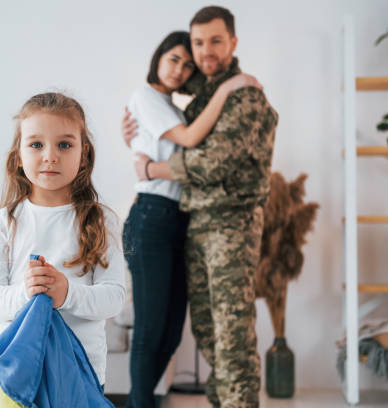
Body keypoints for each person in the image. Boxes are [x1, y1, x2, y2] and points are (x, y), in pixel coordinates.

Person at [123, 6, 278, 408]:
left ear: (233, 43)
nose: (204, 52)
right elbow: (165, 125)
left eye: (215, 41)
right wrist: (134, 139)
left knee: (230, 333)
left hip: (231, 224)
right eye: (197, 43)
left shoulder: (243, 93)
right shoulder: (199, 95)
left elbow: (212, 161)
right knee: (208, 332)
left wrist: (149, 166)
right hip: (191, 223)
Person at [0, 92, 126, 397]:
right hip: (12, 375)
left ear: (83, 155)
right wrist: (26, 293)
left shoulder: (100, 220)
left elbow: (114, 298)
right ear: (19, 155)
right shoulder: (4, 221)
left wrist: (66, 293)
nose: (50, 156)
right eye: (36, 144)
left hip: (79, 374)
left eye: (65, 145)